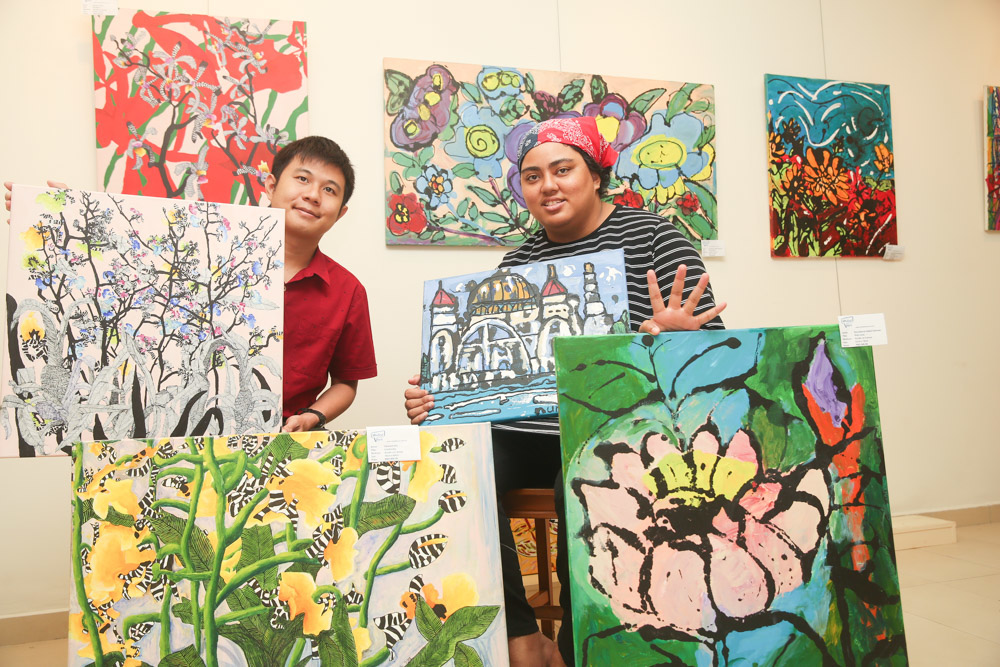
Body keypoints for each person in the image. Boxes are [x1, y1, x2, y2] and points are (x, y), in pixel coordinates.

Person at [404, 116, 726, 666]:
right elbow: (488, 369)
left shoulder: (655, 238)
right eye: (532, 177)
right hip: (527, 431)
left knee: (580, 483)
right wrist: (436, 399)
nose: (547, 185)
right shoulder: (519, 263)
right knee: (449, 467)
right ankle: (522, 635)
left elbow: (715, 350)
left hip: (619, 427)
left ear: (596, 176)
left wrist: (670, 340)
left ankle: (582, 643)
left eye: (563, 170)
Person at [4, 135, 376, 433]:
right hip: (172, 437)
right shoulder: (200, 247)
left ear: (341, 212)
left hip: (281, 448)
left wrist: (313, 416)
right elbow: (121, 271)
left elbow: (346, 383)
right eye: (303, 179)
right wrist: (66, 212)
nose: (313, 195)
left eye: (330, 190)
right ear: (271, 184)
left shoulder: (348, 291)